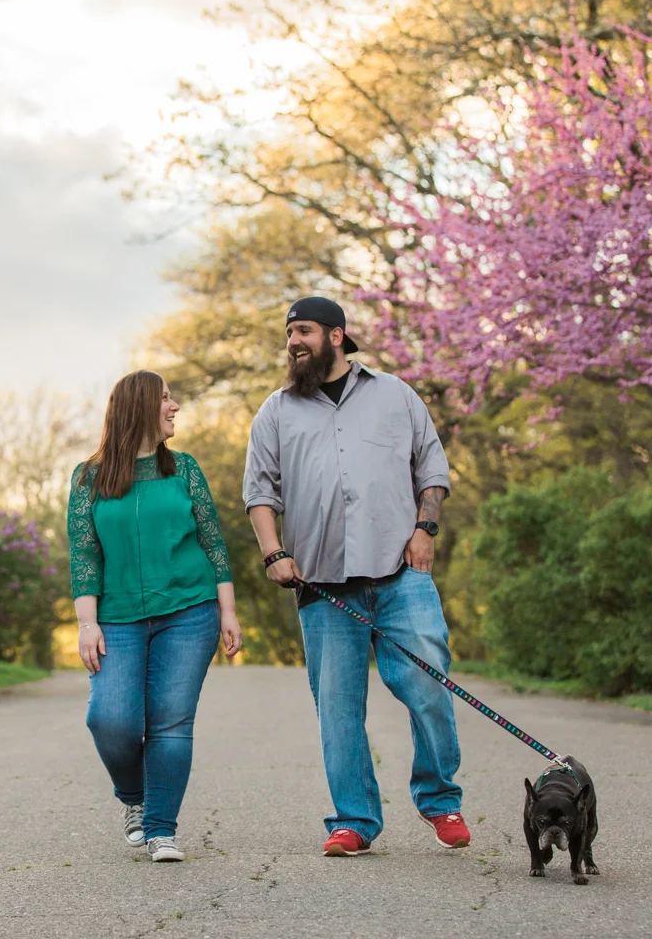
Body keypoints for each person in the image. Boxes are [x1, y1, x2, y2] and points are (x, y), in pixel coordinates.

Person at [243, 296, 468, 857]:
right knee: (338, 711)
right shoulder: (276, 411)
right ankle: (354, 821)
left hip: (400, 573)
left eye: (304, 331)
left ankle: (440, 800)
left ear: (336, 335)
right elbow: (259, 491)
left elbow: (432, 468)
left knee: (428, 685)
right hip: (321, 586)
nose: (294, 342)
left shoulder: (395, 394)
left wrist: (425, 529)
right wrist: (273, 554)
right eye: (289, 333)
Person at [68, 369, 242, 863]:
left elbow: (213, 542)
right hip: (117, 616)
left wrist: (228, 611)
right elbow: (84, 555)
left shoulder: (184, 468)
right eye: (166, 398)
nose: (175, 406)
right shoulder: (89, 477)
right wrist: (87, 624)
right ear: (140, 407)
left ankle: (161, 829)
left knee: (170, 722)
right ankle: (135, 797)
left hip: (189, 611)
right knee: (110, 720)